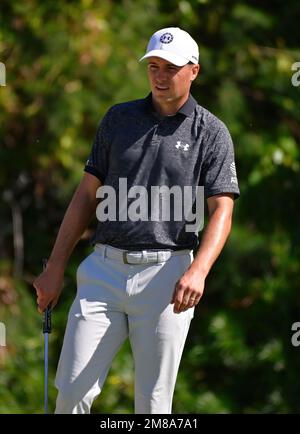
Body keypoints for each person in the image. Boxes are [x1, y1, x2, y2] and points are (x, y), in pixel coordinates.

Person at [33, 27, 240, 414]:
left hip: (168, 276)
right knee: (72, 394)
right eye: (154, 67)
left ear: (193, 71)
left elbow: (222, 210)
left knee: (153, 405)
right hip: (103, 272)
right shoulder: (118, 119)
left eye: (171, 68)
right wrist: (56, 265)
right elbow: (85, 195)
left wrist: (199, 270)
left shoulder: (211, 132)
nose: (160, 76)